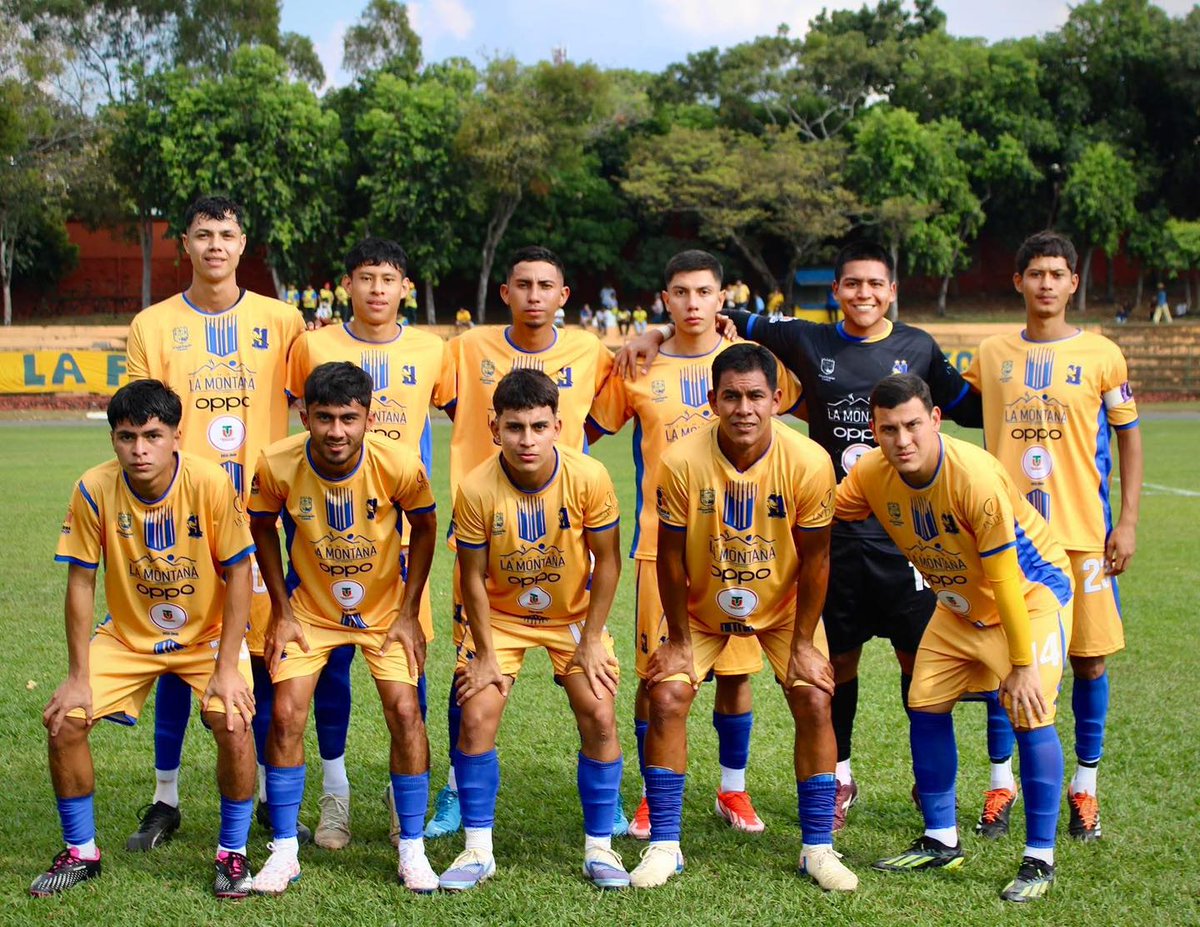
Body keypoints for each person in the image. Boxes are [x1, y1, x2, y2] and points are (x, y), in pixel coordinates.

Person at [616, 241, 992, 835]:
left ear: (891, 290)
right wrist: (653, 333)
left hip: (881, 538)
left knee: (906, 669)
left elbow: (967, 405)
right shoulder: (801, 343)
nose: (863, 294)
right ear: (835, 292)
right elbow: (707, 322)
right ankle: (813, 784)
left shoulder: (911, 347)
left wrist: (1017, 388)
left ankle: (925, 795)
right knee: (782, 672)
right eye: (851, 284)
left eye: (874, 283)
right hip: (756, 538)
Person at [587, 250, 802, 841]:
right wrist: (647, 337)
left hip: (745, 550)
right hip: (663, 545)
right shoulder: (637, 364)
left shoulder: (745, 365)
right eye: (679, 293)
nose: (692, 304)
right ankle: (654, 798)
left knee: (736, 675)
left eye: (703, 292)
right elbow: (586, 434)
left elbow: (801, 400)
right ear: (665, 297)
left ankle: (732, 788)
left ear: (720, 298)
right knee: (658, 675)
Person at [837, 373, 1073, 903]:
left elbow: (1007, 580)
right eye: (889, 429)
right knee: (924, 702)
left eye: (914, 425)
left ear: (936, 420)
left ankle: (1039, 857)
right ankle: (941, 839)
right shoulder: (872, 474)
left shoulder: (975, 478)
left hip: (1029, 598)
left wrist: (1021, 663)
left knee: (1030, 709)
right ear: (874, 431)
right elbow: (832, 512)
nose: (903, 440)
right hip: (959, 604)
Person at [630, 343, 856, 892]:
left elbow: (818, 558)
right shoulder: (681, 461)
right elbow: (672, 557)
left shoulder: (807, 461)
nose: (744, 408)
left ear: (777, 400)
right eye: (731, 396)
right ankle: (664, 845)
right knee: (666, 695)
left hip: (782, 610)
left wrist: (804, 642)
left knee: (813, 695)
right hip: (703, 610)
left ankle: (817, 849)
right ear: (712, 400)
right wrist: (680, 639)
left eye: (756, 395)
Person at [125, 195, 308, 849]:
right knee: (177, 650)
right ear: (185, 244)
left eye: (226, 234)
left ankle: (263, 791)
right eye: (202, 235)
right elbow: (137, 422)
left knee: (261, 652)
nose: (214, 245)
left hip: (261, 517)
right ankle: (164, 797)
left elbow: (320, 403)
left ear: (243, 241)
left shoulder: (283, 321)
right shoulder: (153, 325)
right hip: (182, 518)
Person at [34, 380, 257, 899]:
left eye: (153, 436)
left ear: (177, 435)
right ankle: (81, 852)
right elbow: (81, 581)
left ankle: (232, 853)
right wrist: (76, 677)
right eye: (126, 436)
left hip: (205, 637)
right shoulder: (93, 487)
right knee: (64, 721)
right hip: (127, 638)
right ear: (112, 439)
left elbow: (240, 573)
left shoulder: (210, 483)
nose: (139, 449)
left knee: (234, 718)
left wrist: (226, 667)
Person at [426, 245, 616, 840]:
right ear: (504, 292)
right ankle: (458, 790)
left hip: (564, 544)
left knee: (600, 700)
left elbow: (614, 408)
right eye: (523, 284)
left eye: (546, 285)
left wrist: (650, 339)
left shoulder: (590, 351)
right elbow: (409, 390)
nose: (535, 294)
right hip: (485, 537)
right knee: (472, 679)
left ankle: (604, 838)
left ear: (564, 295)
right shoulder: (465, 348)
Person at [964, 230, 1142, 842]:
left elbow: (1129, 438)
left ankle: (1085, 791)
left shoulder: (1103, 355)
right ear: (1018, 282)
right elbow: (939, 391)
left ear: (1073, 282)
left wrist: (1129, 521)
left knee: (1089, 663)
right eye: (1034, 272)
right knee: (1001, 663)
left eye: (1057, 273)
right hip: (1010, 540)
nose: (1045, 283)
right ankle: (1000, 783)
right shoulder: (990, 354)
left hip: (1085, 538)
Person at [285, 238, 452, 849]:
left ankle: (397, 792)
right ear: (346, 284)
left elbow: (485, 413)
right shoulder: (315, 343)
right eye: (366, 277)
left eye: (389, 278)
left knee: (408, 664)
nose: (378, 289)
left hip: (402, 537)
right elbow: (285, 415)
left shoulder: (433, 350)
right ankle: (335, 796)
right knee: (327, 664)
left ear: (405, 286)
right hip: (325, 532)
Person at [248, 361, 439, 894]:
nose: (337, 431)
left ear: (368, 418)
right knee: (285, 715)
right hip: (310, 610)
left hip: (383, 613)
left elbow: (424, 527)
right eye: (325, 417)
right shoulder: (278, 462)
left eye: (349, 418)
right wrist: (282, 610)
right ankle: (284, 852)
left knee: (405, 710)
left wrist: (407, 611)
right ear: (304, 415)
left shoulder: (399, 463)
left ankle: (412, 850)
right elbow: (260, 527)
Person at [439, 368, 627, 891]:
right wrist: (483, 654)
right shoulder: (475, 487)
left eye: (538, 427)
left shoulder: (589, 477)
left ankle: (600, 850)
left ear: (558, 427)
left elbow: (608, 563)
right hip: (500, 618)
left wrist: (591, 638)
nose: (527, 439)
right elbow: (471, 577)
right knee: (476, 713)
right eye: (515, 427)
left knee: (600, 710)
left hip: (569, 618)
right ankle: (478, 851)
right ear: (495, 428)